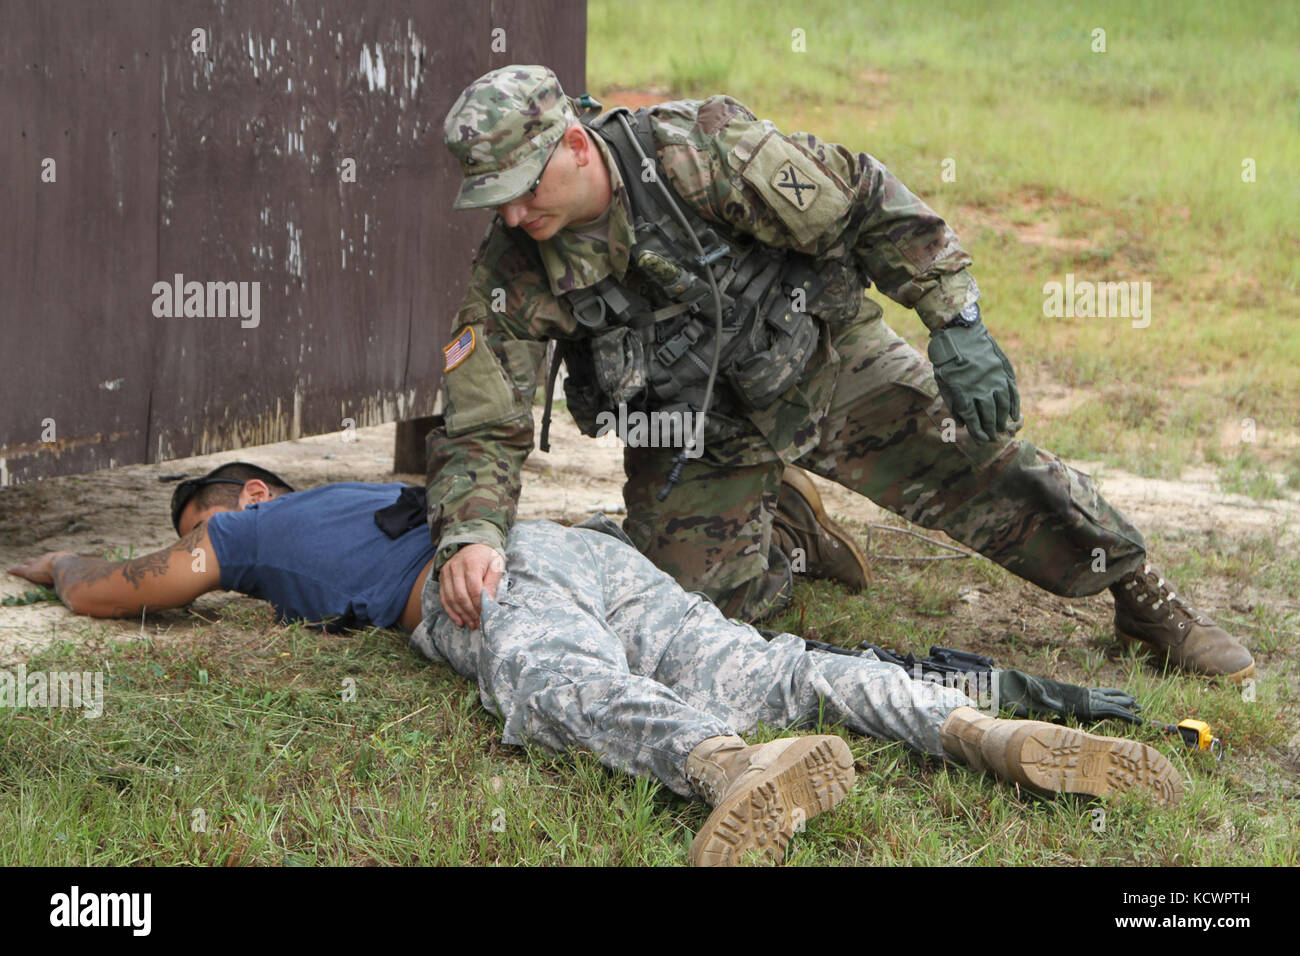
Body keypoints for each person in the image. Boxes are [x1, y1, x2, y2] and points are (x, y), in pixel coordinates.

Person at [430, 64, 1254, 682]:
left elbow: (861, 202)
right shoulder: (514, 265)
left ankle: (1144, 596)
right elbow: (482, 417)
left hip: (828, 362)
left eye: (522, 189)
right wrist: (471, 531)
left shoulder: (698, 150)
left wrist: (955, 317)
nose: (510, 215)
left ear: (575, 145)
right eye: (492, 198)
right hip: (698, 430)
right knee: (690, 624)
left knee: (987, 469)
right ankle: (787, 529)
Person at [9, 462, 1184, 866]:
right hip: (569, 546)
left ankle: (728, 765)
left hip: (476, 582)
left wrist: (54, 559)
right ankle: (976, 730)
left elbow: (122, 584)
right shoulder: (372, 493)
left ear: (238, 498)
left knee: (554, 683)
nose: (192, 540)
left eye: (196, 516)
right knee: (766, 657)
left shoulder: (255, 527)